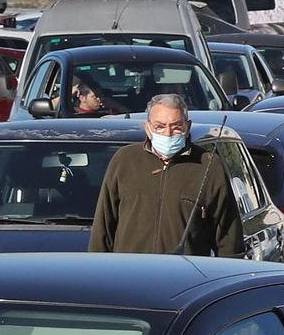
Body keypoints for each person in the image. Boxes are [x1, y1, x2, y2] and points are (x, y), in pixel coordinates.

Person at [89, 94, 245, 257]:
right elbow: (104, 226)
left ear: (187, 127)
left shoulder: (208, 165)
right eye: (160, 126)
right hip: (129, 274)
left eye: (176, 126)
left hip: (187, 276)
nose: (168, 133)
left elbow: (228, 237)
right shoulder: (125, 161)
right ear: (148, 128)